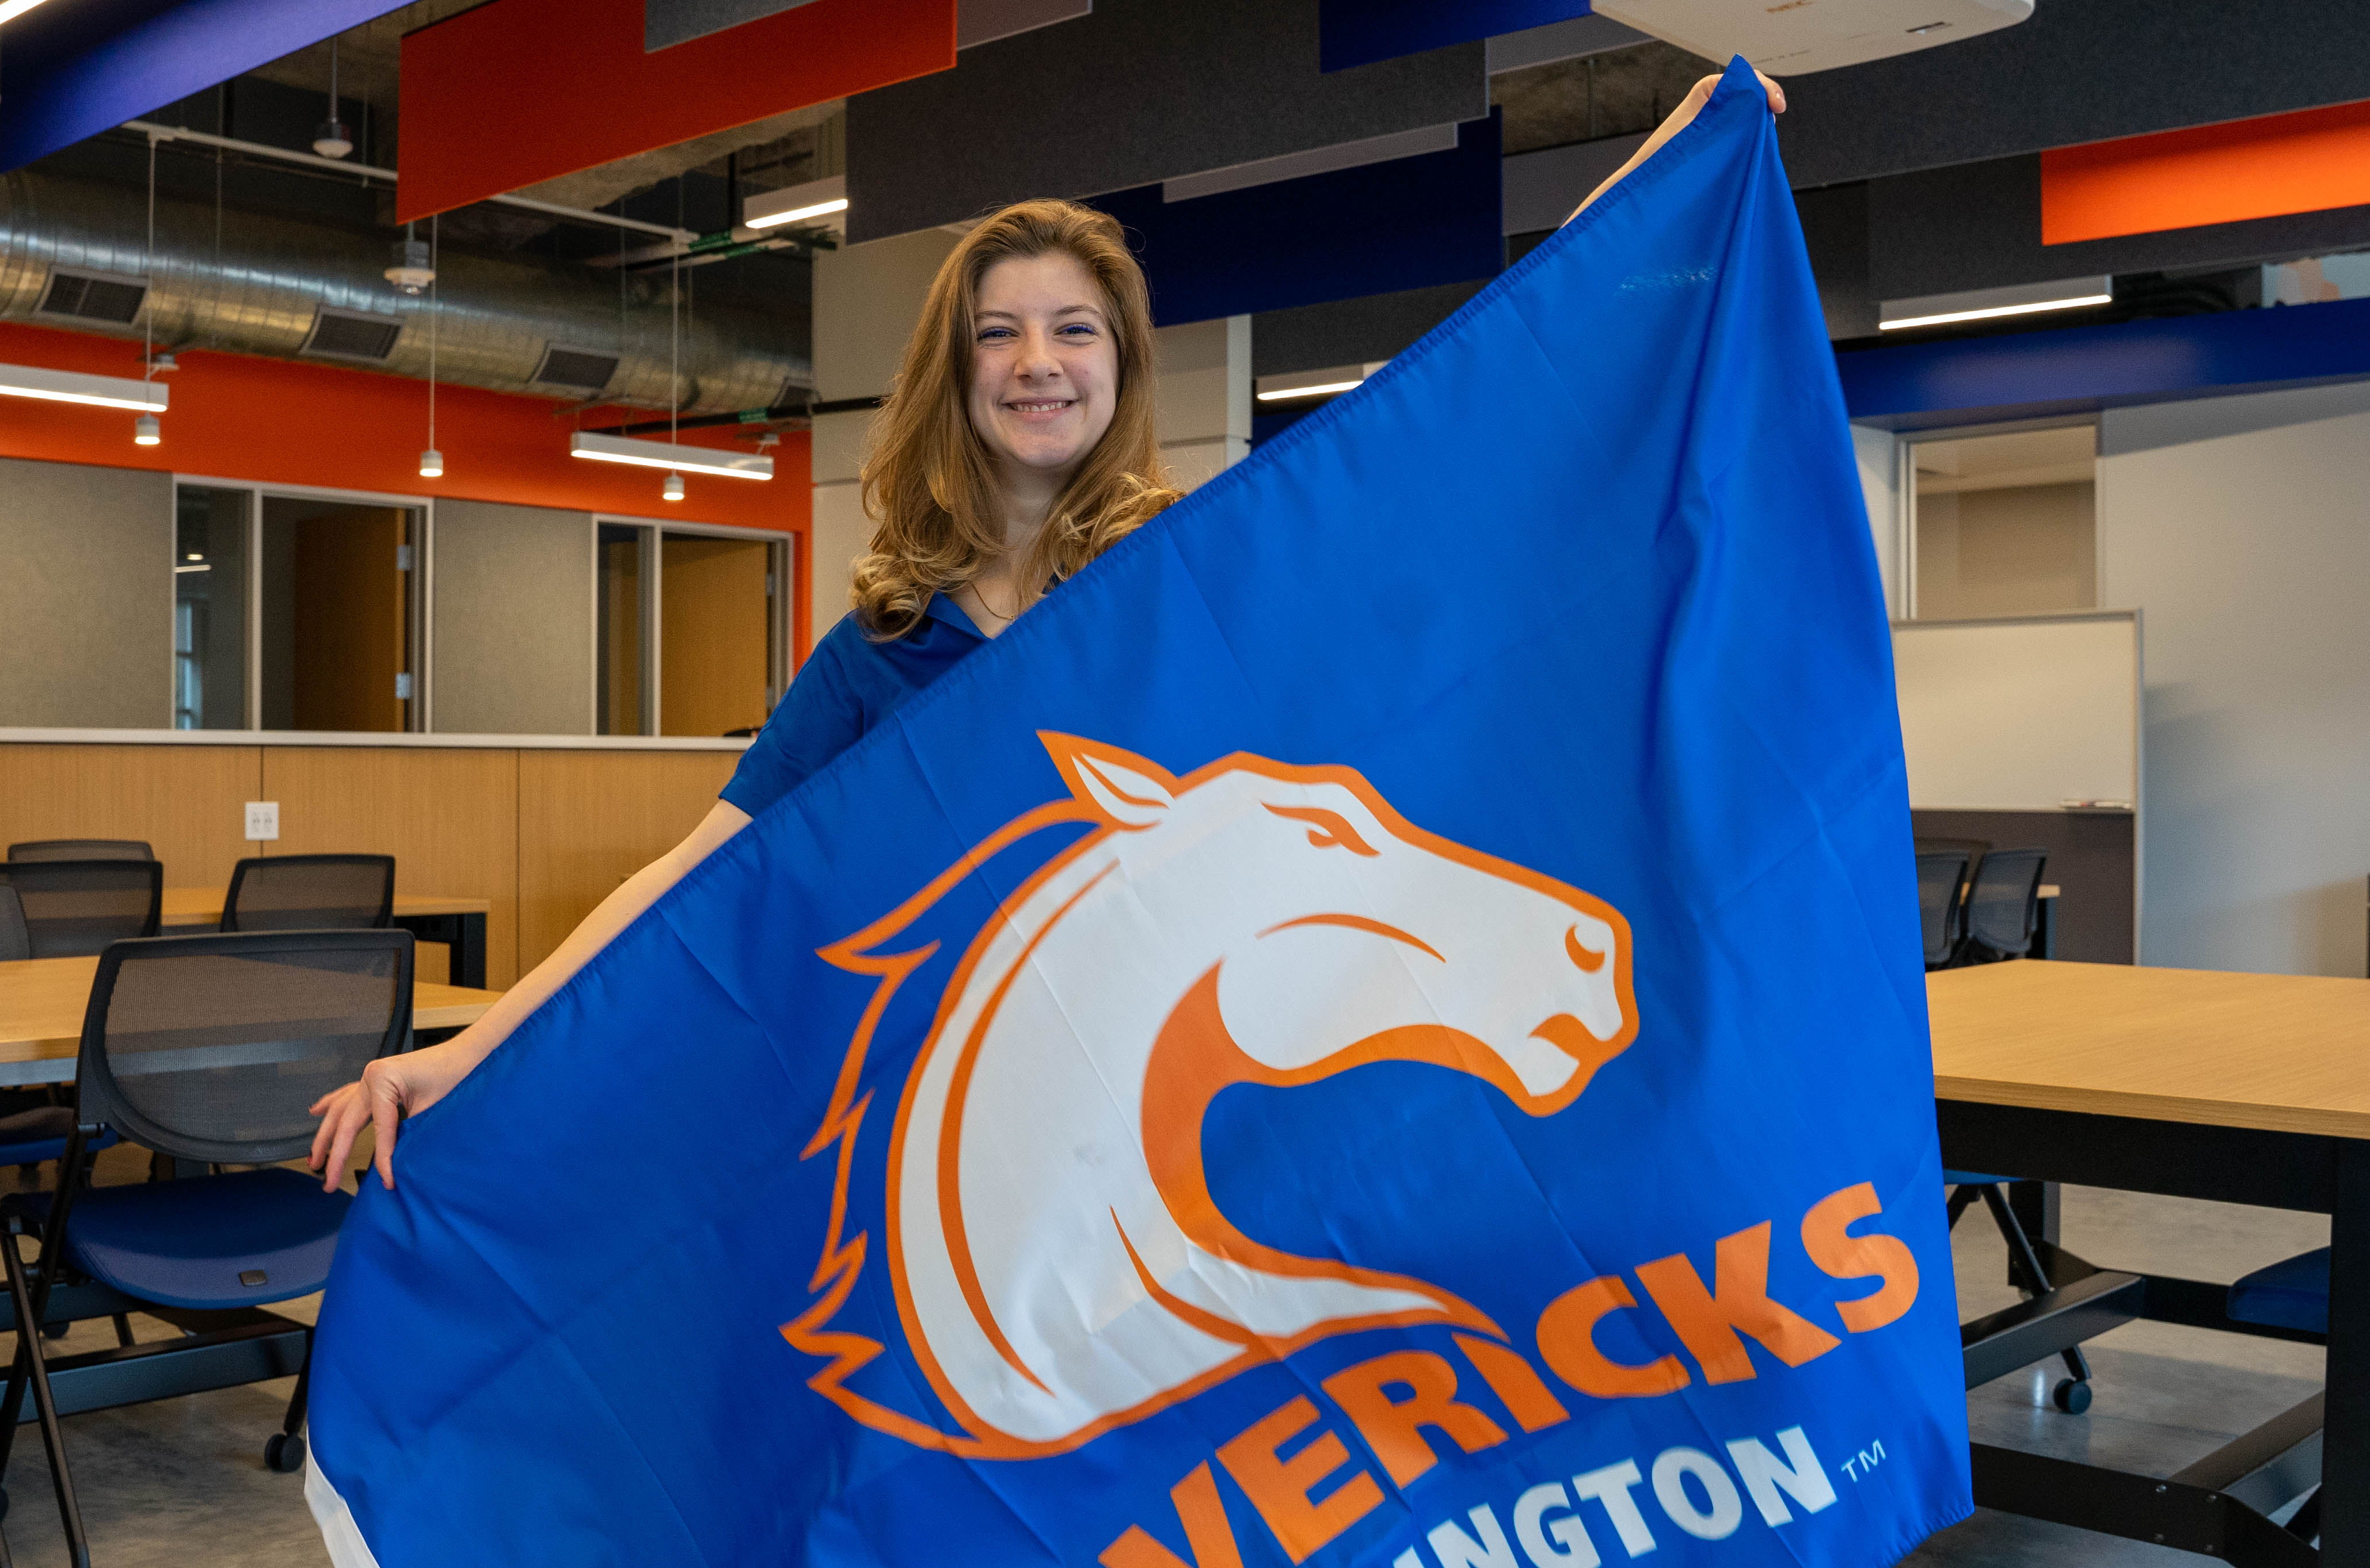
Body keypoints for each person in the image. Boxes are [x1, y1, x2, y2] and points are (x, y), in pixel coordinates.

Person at [309, 72, 1779, 1188]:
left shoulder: (1185, 580)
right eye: (1000, 331)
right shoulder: (882, 654)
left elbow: (1449, 431)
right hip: (980, 1144)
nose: (1037, 363)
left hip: (1199, 1123)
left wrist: (1670, 173)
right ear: (957, 373)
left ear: (1119, 366)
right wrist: (462, 1052)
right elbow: (687, 878)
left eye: (1074, 328)